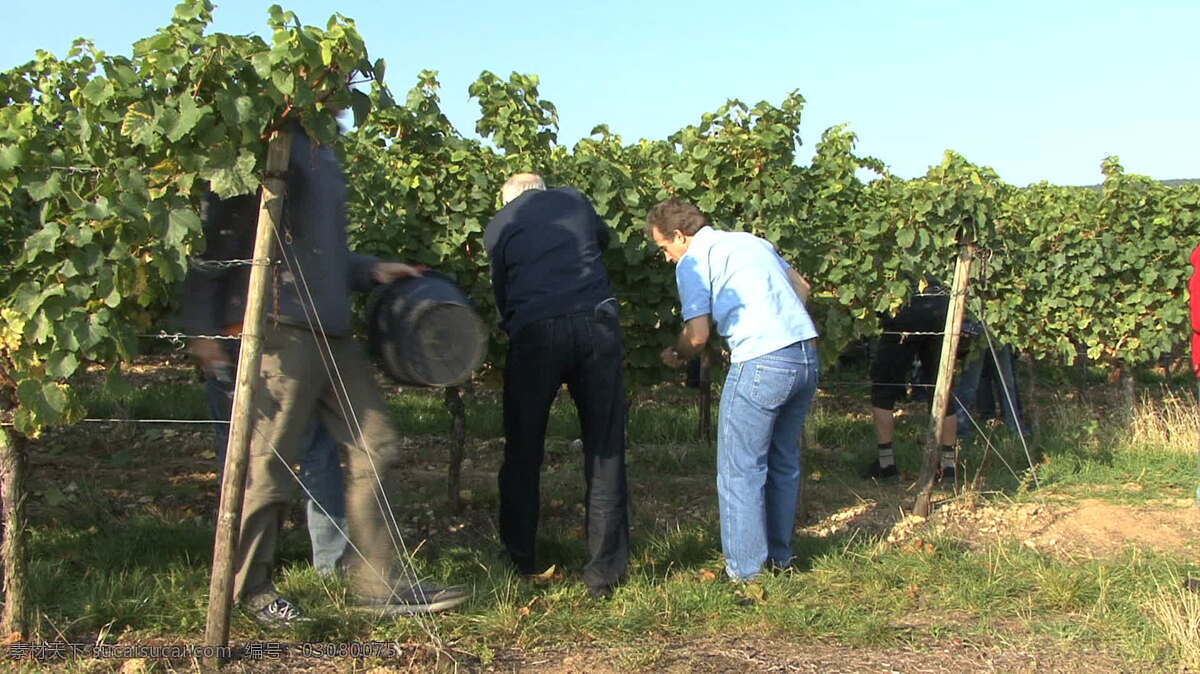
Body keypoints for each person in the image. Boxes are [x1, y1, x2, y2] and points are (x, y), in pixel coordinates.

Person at [178, 122, 469, 624]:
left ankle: (378, 582)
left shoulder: (324, 153)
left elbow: (320, 253)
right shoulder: (271, 141)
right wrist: (201, 327)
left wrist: (371, 270)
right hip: (279, 328)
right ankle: (250, 589)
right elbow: (218, 237)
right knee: (267, 466)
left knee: (377, 443)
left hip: (332, 331)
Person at [646, 199, 818, 582]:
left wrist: (679, 352)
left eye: (665, 248)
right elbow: (802, 289)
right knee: (783, 463)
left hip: (761, 359)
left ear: (679, 235)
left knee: (740, 469)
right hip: (804, 354)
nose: (669, 258)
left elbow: (698, 333)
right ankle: (780, 561)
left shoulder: (694, 259)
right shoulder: (752, 242)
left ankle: (746, 574)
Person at [483, 172, 629, 599]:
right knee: (605, 449)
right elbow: (600, 242)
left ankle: (519, 559)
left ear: (508, 198)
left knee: (523, 448)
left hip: (535, 329)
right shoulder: (575, 200)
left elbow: (502, 289)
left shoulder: (500, 224)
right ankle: (604, 574)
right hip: (596, 323)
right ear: (542, 189)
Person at [203, 352, 348, 575]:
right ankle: (242, 566)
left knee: (308, 450)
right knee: (252, 459)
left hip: (275, 353)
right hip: (245, 351)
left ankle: (239, 564)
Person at [863, 286, 960, 482]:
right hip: (940, 311)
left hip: (902, 313)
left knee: (883, 390)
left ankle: (886, 464)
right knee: (943, 388)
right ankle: (949, 466)